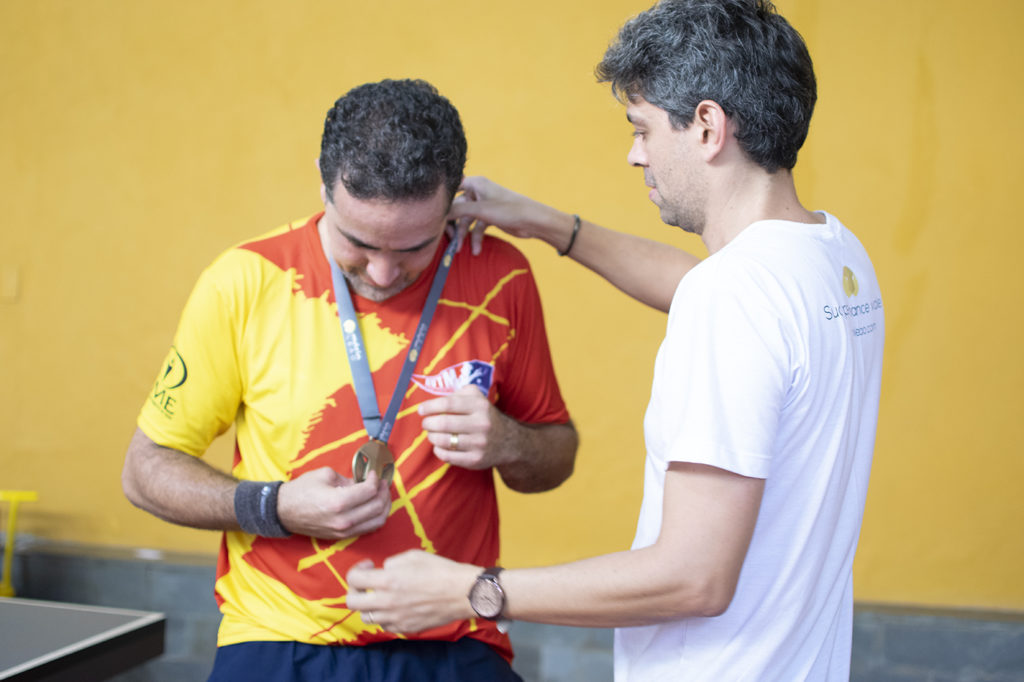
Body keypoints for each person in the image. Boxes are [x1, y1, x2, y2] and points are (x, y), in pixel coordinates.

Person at [346, 2, 885, 681]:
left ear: (709, 126)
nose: (636, 154)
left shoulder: (736, 299)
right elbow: (702, 288)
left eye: (644, 128)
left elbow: (694, 578)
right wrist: (544, 222)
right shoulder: (832, 257)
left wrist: (470, 590)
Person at [121, 78, 578, 682]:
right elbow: (145, 471)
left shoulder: (500, 278)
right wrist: (275, 505)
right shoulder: (245, 280)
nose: (385, 271)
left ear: (455, 203)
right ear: (322, 181)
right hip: (278, 636)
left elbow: (556, 456)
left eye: (416, 246)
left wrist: (509, 443)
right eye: (357, 243)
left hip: (455, 634)